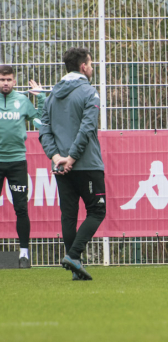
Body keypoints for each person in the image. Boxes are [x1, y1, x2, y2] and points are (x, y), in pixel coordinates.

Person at [39, 47, 105, 280]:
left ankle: (75, 266)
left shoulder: (51, 96)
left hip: (60, 167)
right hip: (86, 164)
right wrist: (72, 158)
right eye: (91, 63)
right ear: (83, 67)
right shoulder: (89, 92)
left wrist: (56, 157)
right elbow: (87, 128)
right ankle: (74, 256)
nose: (92, 66)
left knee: (68, 215)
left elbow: (43, 129)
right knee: (97, 210)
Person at [0, 65, 45, 268]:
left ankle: (24, 255)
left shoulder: (22, 101)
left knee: (21, 209)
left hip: (17, 162)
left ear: (15, 81)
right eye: (2, 79)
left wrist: (42, 98)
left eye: (8, 79)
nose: (5, 83)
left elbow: (41, 123)